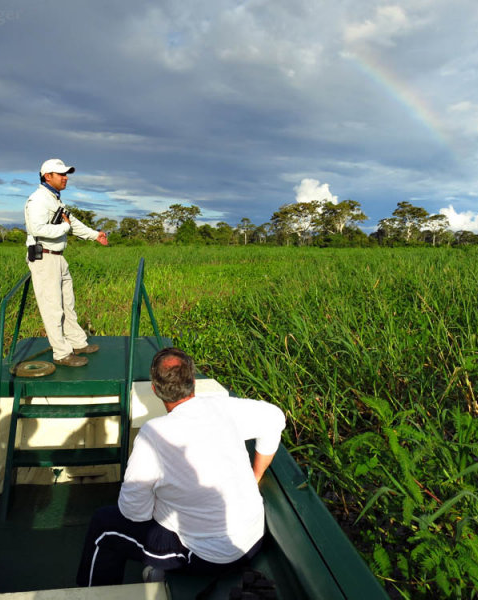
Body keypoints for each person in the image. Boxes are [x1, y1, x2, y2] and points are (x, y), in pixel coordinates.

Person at [77, 347, 286, 587]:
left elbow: (134, 512)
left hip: (206, 556)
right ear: (193, 381)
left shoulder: (153, 435)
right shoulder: (223, 407)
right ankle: (162, 571)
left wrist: (160, 503)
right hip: (253, 540)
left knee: (104, 525)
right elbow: (275, 418)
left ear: (155, 390)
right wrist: (255, 474)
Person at [25, 158, 109, 368]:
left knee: (67, 304)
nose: (65, 178)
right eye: (61, 174)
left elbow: (73, 223)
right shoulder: (38, 200)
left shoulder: (55, 200)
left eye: (66, 174)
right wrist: (64, 228)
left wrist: (94, 235)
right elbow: (37, 229)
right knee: (53, 307)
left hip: (58, 257)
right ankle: (61, 353)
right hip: (44, 257)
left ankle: (77, 342)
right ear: (47, 176)